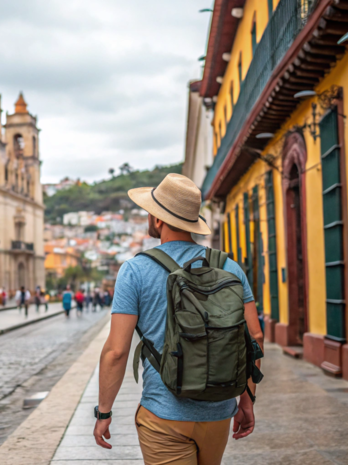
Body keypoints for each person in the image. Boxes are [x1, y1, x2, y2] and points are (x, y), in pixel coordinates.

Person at [93, 174, 263, 464]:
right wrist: (246, 400)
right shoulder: (228, 266)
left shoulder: (135, 270)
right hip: (219, 411)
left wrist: (104, 412)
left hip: (163, 415)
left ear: (158, 220)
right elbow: (255, 337)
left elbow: (116, 351)